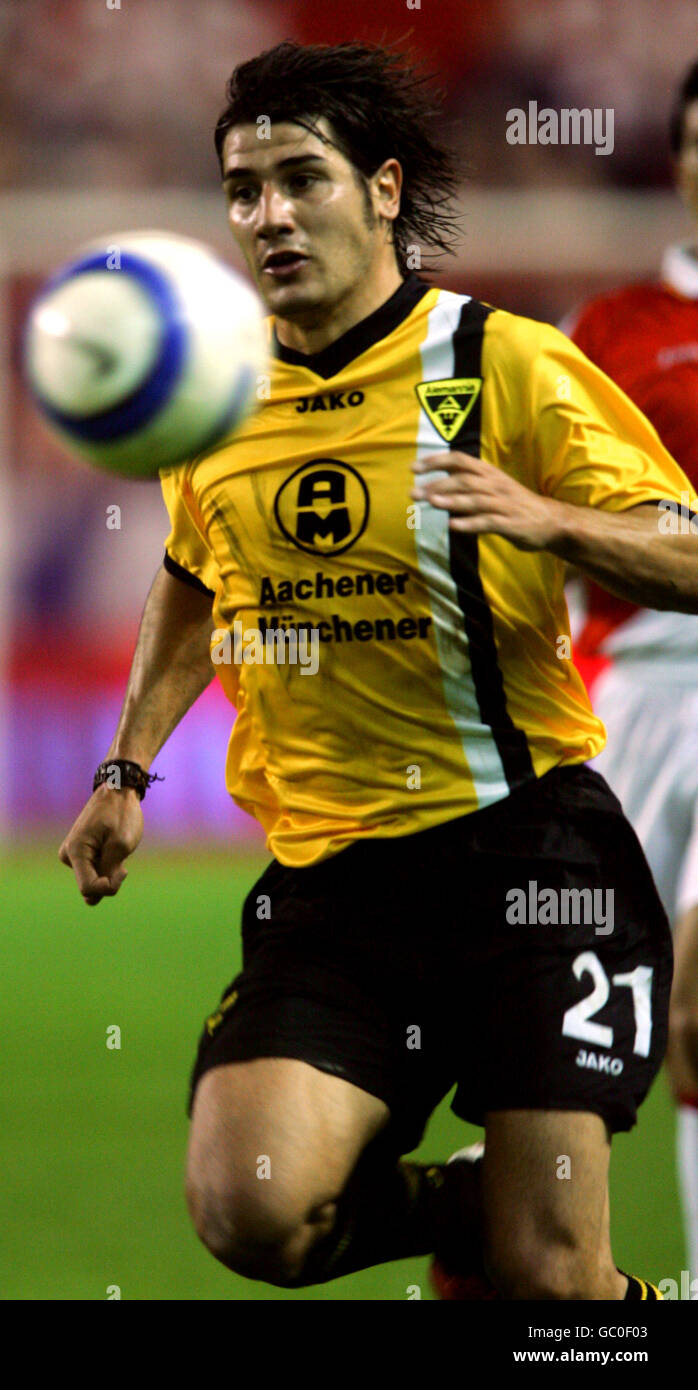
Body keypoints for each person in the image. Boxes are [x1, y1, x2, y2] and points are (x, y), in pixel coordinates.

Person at [59, 40, 698, 1299]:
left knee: (554, 1291)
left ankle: (535, 1246)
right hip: (335, 884)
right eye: (244, 190)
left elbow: (685, 542)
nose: (269, 215)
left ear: (385, 190)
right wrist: (127, 763)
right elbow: (194, 577)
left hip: (531, 860)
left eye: (302, 178)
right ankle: (466, 1201)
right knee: (250, 1214)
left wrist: (556, 521)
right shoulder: (217, 398)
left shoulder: (502, 362)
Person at [565, 59, 698, 1293]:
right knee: (587, 1028)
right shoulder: (608, 334)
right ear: (677, 162)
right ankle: (553, 1271)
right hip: (631, 695)